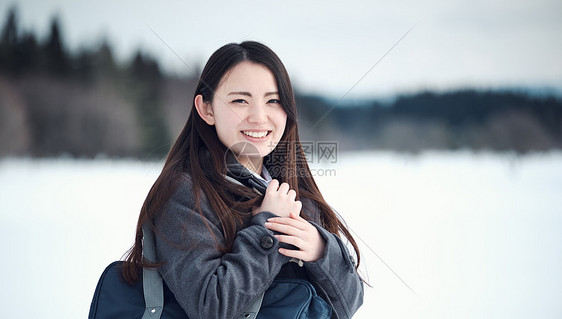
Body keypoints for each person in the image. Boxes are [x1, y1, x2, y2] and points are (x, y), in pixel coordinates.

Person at [123, 41, 364, 318]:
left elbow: (349, 304)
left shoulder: (290, 191)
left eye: (273, 101)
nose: (259, 117)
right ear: (207, 109)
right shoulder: (185, 193)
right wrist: (267, 230)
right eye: (240, 100)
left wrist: (321, 249)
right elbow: (212, 307)